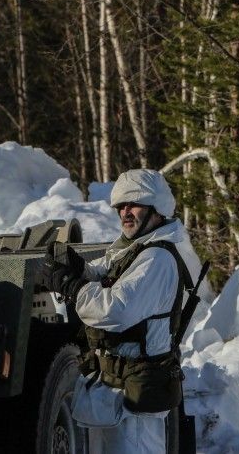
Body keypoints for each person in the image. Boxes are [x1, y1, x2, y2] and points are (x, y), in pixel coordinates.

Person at [43, 169, 196, 453]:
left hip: (134, 403)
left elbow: (115, 310)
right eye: (121, 206)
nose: (125, 212)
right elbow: (105, 273)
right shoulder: (133, 250)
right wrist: (78, 269)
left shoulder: (156, 258)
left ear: (156, 209)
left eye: (134, 204)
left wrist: (74, 287)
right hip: (119, 393)